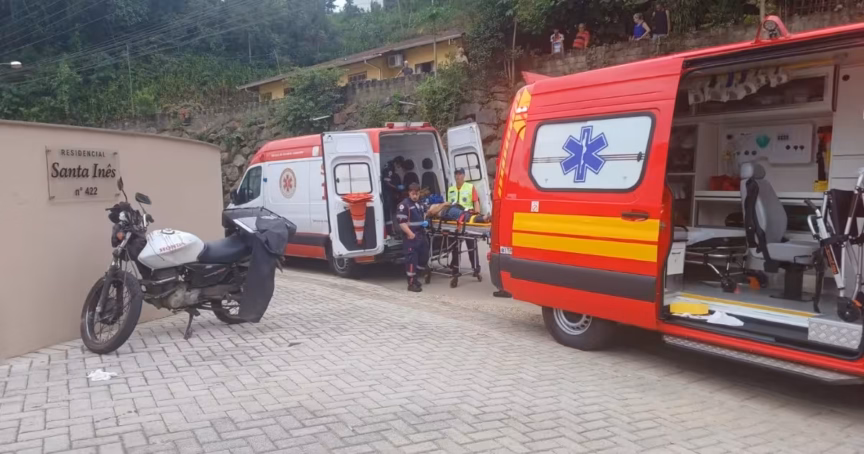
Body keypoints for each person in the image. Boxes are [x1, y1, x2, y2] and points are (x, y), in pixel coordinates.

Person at [447, 168, 481, 277]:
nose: (458, 176)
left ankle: (475, 268)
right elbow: (449, 204)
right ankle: (455, 268)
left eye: (460, 174)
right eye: (456, 174)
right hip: (455, 220)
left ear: (463, 175)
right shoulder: (451, 189)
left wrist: (477, 215)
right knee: (455, 246)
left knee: (471, 245)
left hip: (467, 218)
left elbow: (476, 202)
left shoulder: (470, 187)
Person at [397, 183, 429, 292]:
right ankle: (411, 283)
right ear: (409, 193)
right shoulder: (404, 205)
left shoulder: (420, 203)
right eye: (413, 194)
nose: (415, 196)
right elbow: (402, 222)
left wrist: (425, 221)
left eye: (417, 194)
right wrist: (410, 233)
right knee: (412, 260)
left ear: (419, 193)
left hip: (421, 235)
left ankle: (415, 277)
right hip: (411, 237)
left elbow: (426, 213)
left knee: (424, 257)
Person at [382, 157, 405, 236]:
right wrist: (396, 188)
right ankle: (390, 231)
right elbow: (387, 182)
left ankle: (393, 230)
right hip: (387, 193)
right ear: (396, 163)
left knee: (391, 211)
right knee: (389, 211)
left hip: (389, 193)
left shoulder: (389, 166)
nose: (399, 167)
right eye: (399, 165)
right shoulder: (390, 168)